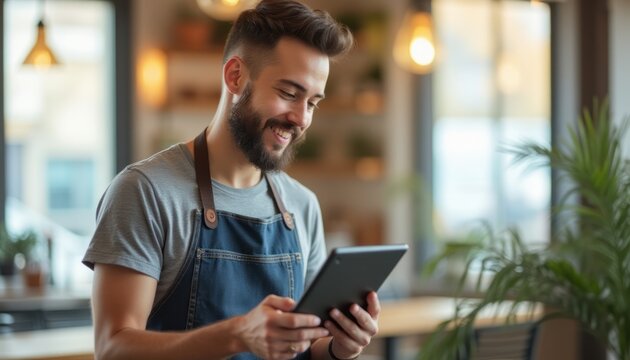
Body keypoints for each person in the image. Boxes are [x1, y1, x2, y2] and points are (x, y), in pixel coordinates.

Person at [82, 1, 380, 359]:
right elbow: (113, 348)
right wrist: (238, 334)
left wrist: (337, 347)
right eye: (288, 93)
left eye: (313, 102)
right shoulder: (146, 192)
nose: (301, 118)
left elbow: (307, 343)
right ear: (235, 76)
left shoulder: (302, 206)